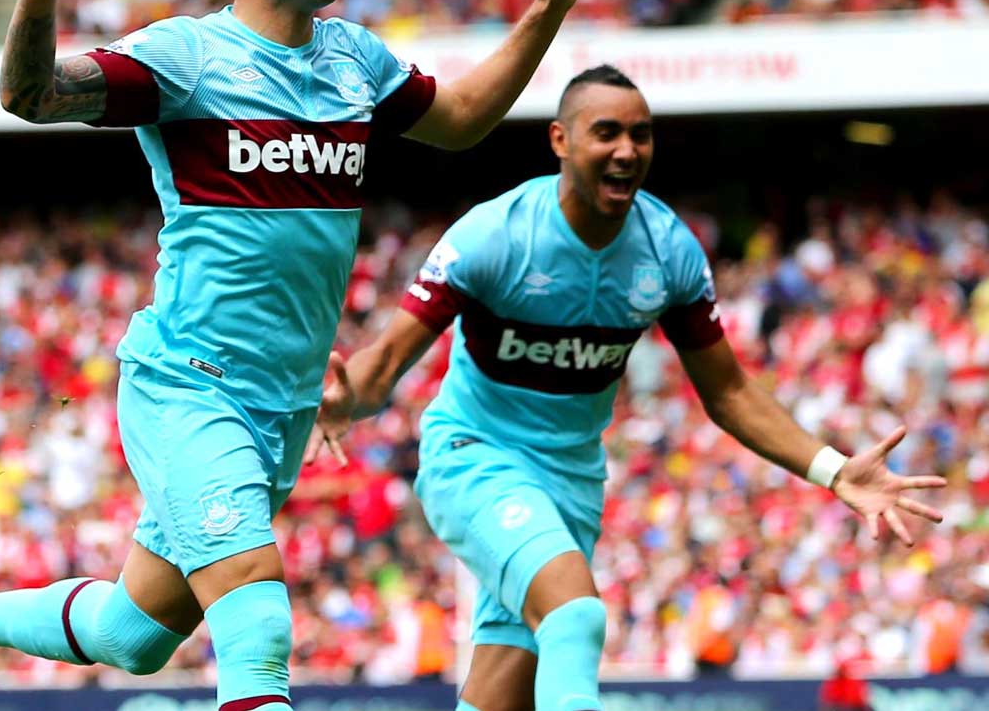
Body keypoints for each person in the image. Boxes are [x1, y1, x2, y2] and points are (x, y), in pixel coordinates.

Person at [0, 0, 606, 709]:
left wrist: (549, 9)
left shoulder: (355, 60)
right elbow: (31, 95)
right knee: (257, 624)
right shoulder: (186, 58)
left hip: (280, 409)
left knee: (130, 635)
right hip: (188, 389)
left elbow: (466, 119)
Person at [308, 64, 947, 711]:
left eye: (641, 136)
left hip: (572, 484)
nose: (626, 151)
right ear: (560, 140)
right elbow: (384, 362)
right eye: (606, 133)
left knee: (504, 694)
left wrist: (835, 470)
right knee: (577, 616)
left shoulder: (668, 252)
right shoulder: (495, 236)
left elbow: (727, 392)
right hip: (475, 459)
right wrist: (342, 398)